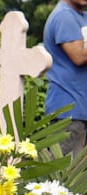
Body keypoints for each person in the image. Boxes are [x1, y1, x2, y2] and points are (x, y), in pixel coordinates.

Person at [44, 0, 87, 157]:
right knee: (64, 169)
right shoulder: (64, 16)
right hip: (68, 111)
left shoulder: (81, 16)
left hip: (81, 110)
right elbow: (79, 56)